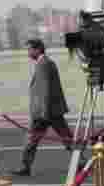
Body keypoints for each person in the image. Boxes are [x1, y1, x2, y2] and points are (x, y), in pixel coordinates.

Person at [9, 38, 74, 177]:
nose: (28, 52)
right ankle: (80, 162)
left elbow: (45, 90)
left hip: (45, 112)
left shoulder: (43, 64)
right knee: (66, 137)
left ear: (37, 49)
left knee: (32, 139)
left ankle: (25, 167)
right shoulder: (45, 62)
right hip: (52, 110)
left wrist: (43, 112)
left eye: (29, 49)